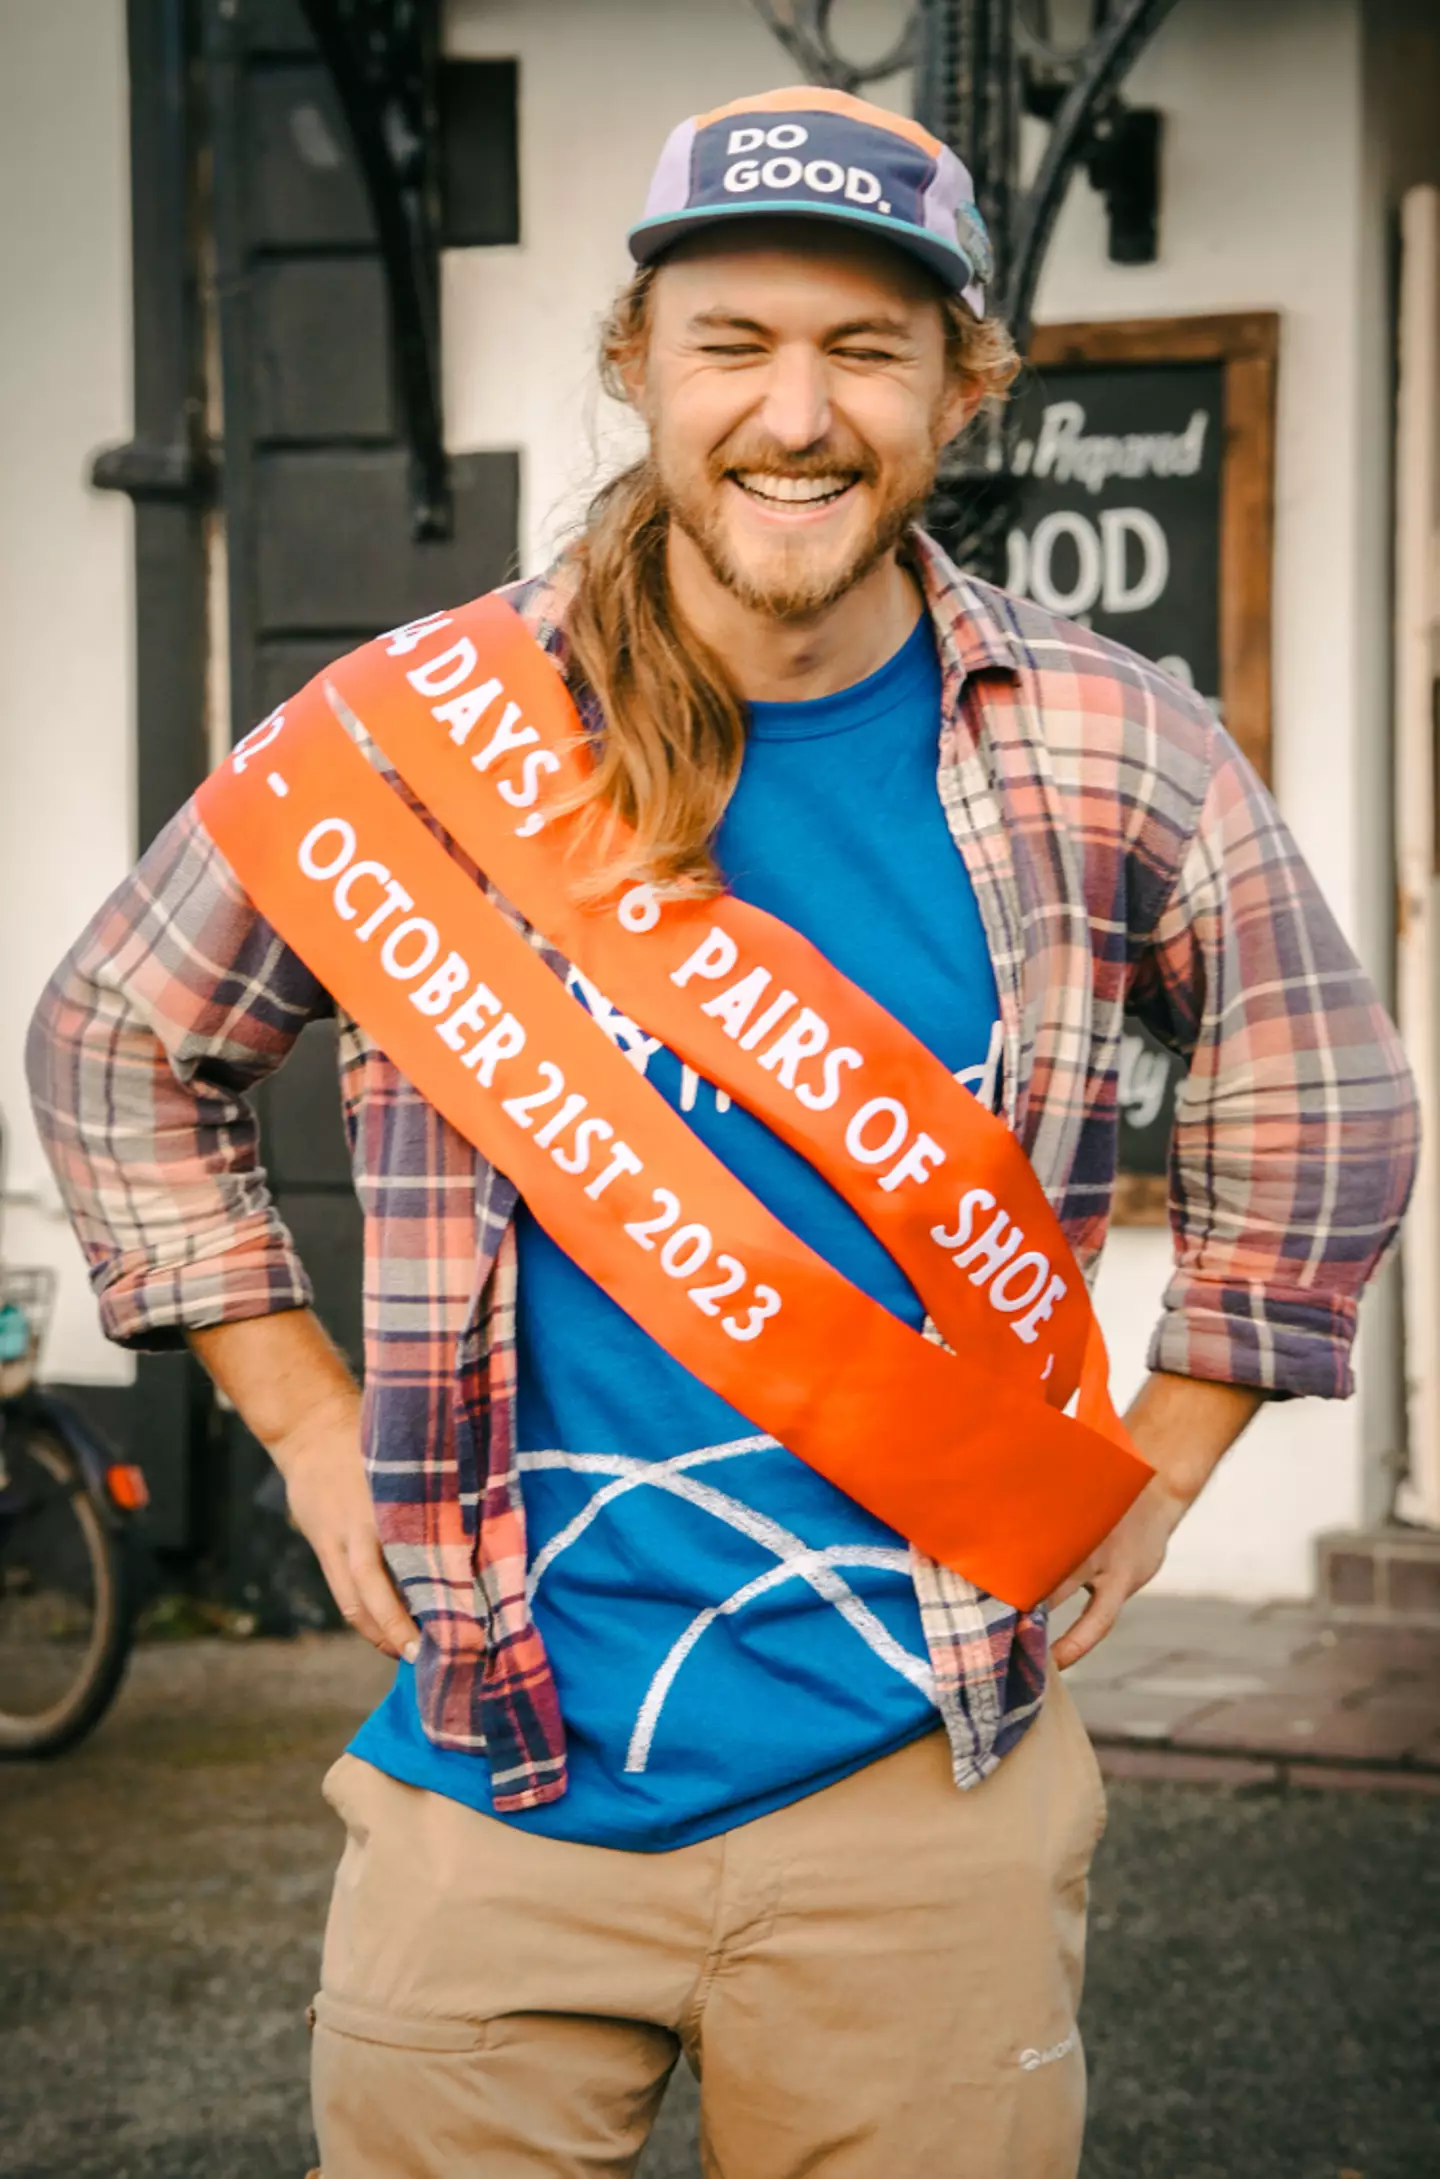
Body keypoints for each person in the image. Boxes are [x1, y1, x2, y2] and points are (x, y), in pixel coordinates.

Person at [28, 86, 1417, 2179]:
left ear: (964, 387)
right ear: (636, 369)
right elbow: (119, 1040)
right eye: (733, 344)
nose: (798, 412)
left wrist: (1169, 1450)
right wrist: (302, 1417)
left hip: (929, 1788)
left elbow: (1320, 1103)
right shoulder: (406, 738)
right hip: (492, 1771)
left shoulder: (1115, 742)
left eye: (866, 350)